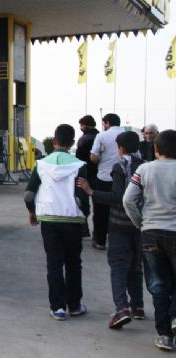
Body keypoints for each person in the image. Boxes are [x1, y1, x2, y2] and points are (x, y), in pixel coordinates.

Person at [77, 131, 145, 329]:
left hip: (119, 223)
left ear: (120, 148)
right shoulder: (146, 165)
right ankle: (138, 306)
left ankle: (121, 309)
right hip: (140, 225)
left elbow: (117, 197)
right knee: (136, 265)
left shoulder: (120, 166)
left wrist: (91, 192)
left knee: (117, 265)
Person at [25, 124, 90, 320]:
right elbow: (81, 198)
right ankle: (75, 305)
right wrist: (85, 214)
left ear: (54, 142)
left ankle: (58, 307)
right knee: (73, 263)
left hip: (49, 220)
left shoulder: (42, 164)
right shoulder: (79, 165)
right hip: (72, 220)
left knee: (54, 263)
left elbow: (29, 194)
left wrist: (33, 213)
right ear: (71, 143)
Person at [123, 129, 176, 351]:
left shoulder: (144, 169)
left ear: (155, 148)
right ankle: (174, 317)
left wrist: (141, 223)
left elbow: (128, 200)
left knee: (158, 284)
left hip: (151, 232)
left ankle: (164, 335)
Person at [90, 113, 124, 250]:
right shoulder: (127, 134)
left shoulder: (102, 136)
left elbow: (94, 157)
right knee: (121, 212)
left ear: (107, 123)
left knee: (101, 213)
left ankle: (100, 242)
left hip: (104, 178)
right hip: (123, 178)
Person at [76, 115, 99, 237]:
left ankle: (84, 229)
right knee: (99, 205)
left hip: (85, 175)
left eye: (81, 125)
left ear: (86, 125)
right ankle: (98, 232)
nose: (80, 127)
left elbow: (79, 159)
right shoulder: (99, 136)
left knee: (83, 202)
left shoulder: (84, 139)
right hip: (99, 175)